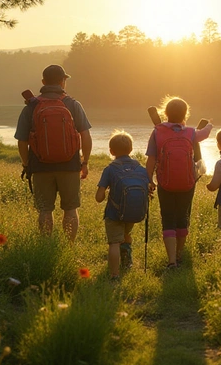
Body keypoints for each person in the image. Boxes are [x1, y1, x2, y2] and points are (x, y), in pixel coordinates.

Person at [15, 65, 92, 241]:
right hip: (70, 165)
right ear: (63, 82)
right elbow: (85, 136)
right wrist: (85, 162)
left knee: (44, 210)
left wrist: (27, 164)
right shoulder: (73, 104)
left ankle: (46, 246)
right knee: (70, 209)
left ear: (43, 82)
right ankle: (69, 247)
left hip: (41, 166)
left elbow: (22, 140)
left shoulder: (31, 106)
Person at [145, 96, 212, 268]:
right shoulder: (190, 132)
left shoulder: (157, 132)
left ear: (165, 113)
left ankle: (172, 260)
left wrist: (148, 180)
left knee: (168, 218)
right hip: (187, 183)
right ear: (185, 114)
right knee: (183, 217)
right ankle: (180, 255)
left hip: (165, 183)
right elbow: (204, 134)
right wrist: (210, 125)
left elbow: (151, 159)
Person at [96, 131, 149, 279]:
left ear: (111, 151)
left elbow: (99, 197)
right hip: (133, 212)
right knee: (126, 235)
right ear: (131, 150)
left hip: (114, 213)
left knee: (114, 242)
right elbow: (150, 187)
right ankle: (127, 262)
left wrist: (104, 193)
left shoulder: (110, 169)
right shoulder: (141, 169)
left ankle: (114, 274)